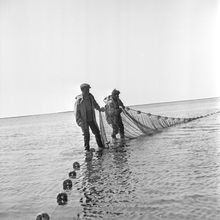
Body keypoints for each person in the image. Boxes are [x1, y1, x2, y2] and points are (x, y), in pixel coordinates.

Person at [74, 83, 104, 151]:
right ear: (82, 90)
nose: (88, 90)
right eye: (87, 89)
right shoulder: (78, 101)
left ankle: (101, 147)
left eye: (88, 89)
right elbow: (76, 113)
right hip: (83, 121)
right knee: (86, 135)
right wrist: (79, 122)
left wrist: (99, 108)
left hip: (91, 119)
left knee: (97, 132)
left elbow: (95, 104)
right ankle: (87, 150)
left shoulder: (91, 96)